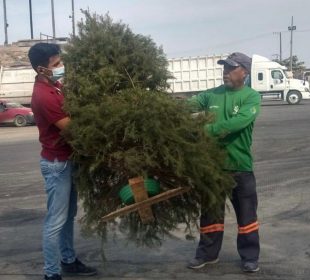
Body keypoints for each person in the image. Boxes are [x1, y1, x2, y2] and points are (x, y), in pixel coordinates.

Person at [28, 43, 97, 280]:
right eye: (56, 64)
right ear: (41, 69)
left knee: (68, 216)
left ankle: (68, 260)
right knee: (55, 221)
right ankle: (51, 273)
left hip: (68, 161)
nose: (61, 68)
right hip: (57, 165)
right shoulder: (44, 96)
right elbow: (74, 129)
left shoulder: (55, 86)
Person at [187, 52, 261, 273]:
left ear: (244, 72)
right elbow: (189, 105)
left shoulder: (251, 97)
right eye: (224, 68)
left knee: (247, 215)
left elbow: (236, 123)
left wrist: (205, 131)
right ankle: (207, 254)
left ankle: (250, 257)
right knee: (210, 214)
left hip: (240, 166)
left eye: (231, 68)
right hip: (212, 167)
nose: (225, 72)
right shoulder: (211, 95)